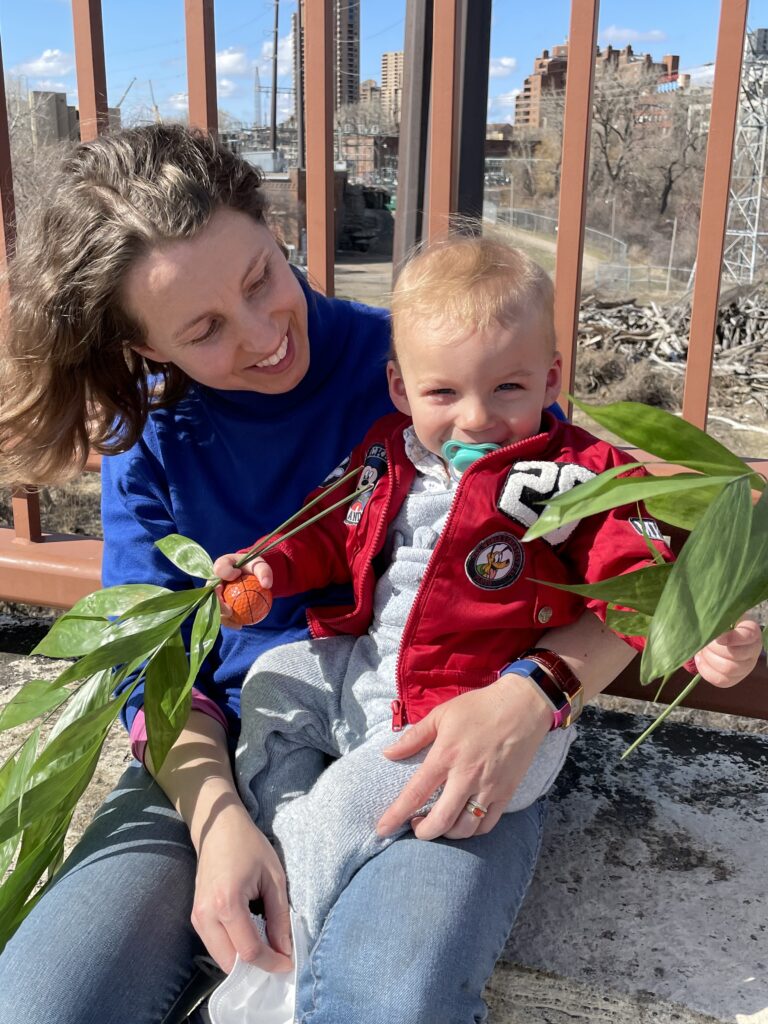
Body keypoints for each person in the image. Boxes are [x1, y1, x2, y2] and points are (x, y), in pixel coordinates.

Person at [0, 124, 760, 1024]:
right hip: (225, 749)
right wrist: (216, 823)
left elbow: (601, 534)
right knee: (42, 1001)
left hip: (446, 732)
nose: (261, 335)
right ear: (149, 349)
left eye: (261, 279)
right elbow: (155, 671)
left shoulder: (446, 362)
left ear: (273, 228)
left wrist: (533, 694)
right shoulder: (153, 435)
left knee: (386, 996)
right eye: (203, 329)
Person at [213, 236, 764, 945]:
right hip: (369, 673)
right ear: (401, 389)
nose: (475, 418)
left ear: (551, 378)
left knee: (348, 803)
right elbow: (322, 530)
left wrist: (699, 627)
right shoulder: (387, 454)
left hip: (468, 718)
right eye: (443, 392)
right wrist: (267, 567)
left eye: (507, 387)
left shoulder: (566, 475)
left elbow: (633, 560)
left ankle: (291, 943)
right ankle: (285, 826)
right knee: (270, 680)